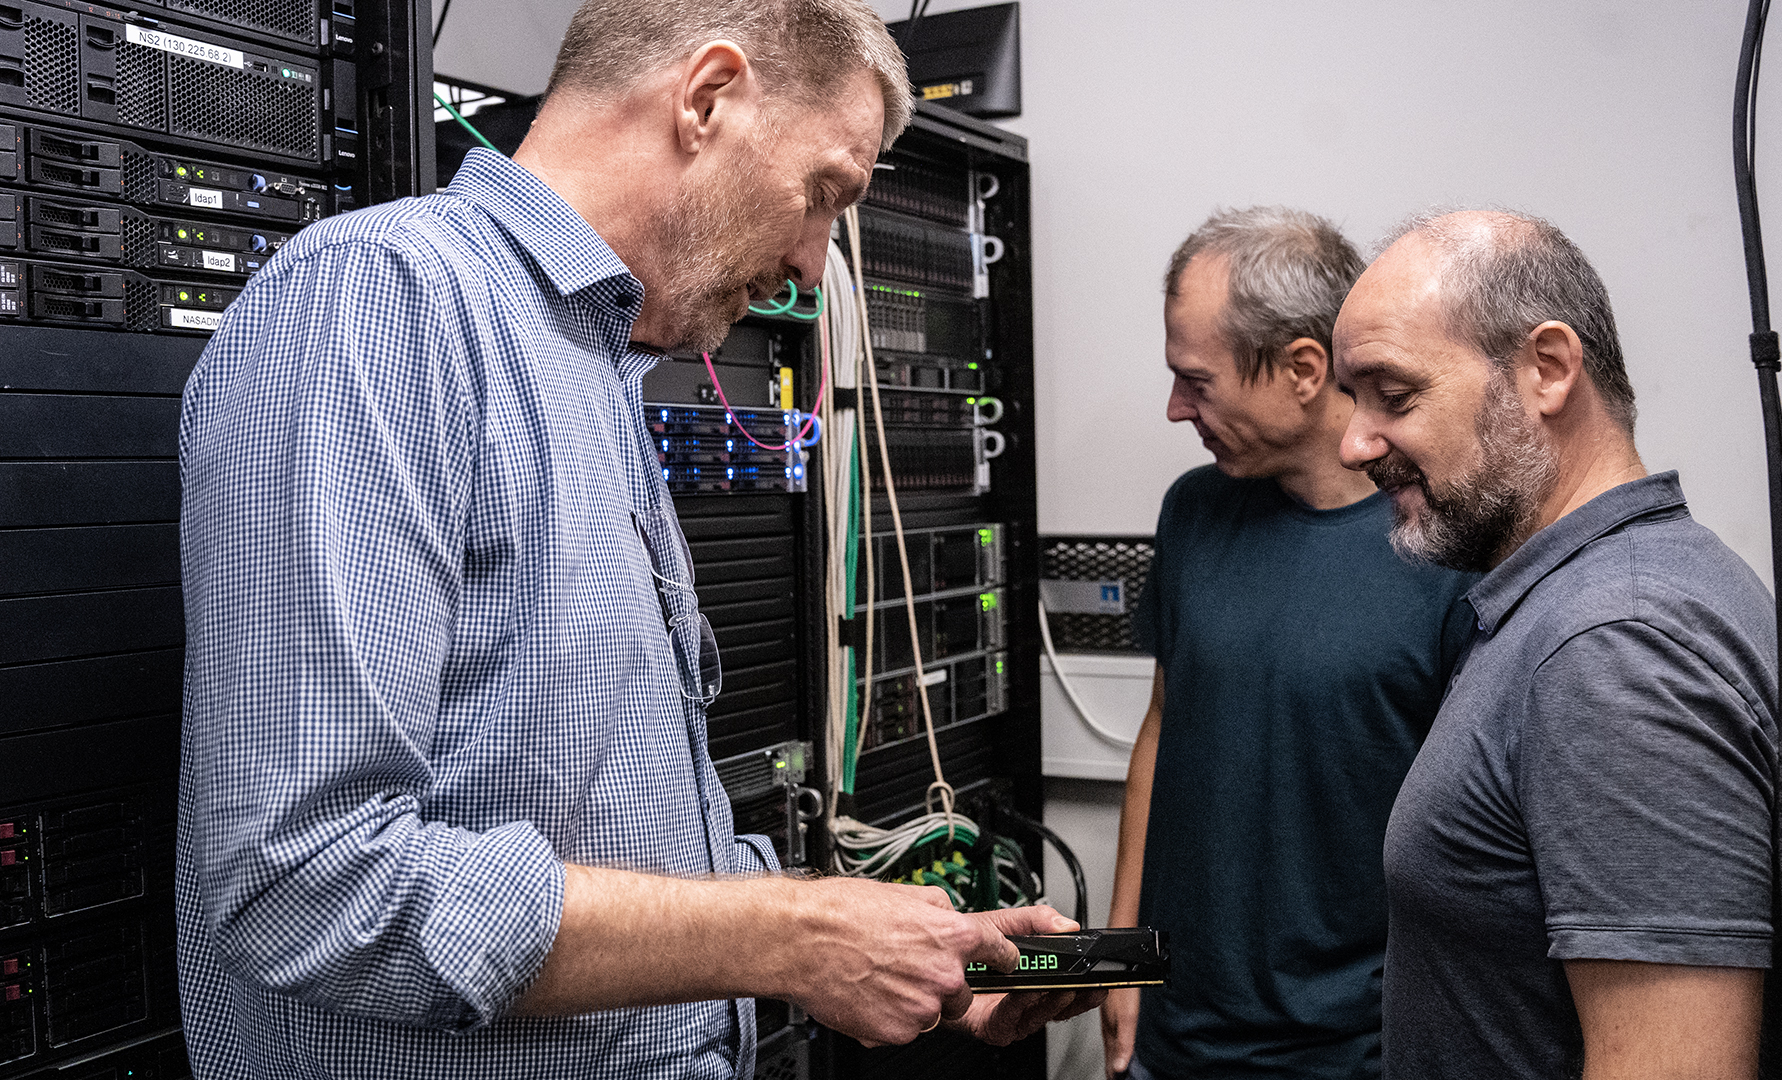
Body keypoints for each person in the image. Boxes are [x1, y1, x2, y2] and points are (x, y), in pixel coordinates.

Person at [173, 2, 1099, 1077]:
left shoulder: (595, 365)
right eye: (825, 195)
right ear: (707, 98)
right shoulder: (385, 306)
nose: (811, 265)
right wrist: (792, 942)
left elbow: (616, 836)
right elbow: (305, 882)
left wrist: (896, 941)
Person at [1331, 209, 1775, 1080]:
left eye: (1395, 394)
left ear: (1548, 369)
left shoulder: (1617, 648)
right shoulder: (1584, 600)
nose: (1355, 443)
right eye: (1354, 400)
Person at [1100, 207, 1480, 1080]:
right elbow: (1163, 726)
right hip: (1178, 1033)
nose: (1174, 408)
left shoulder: (1448, 546)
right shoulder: (1193, 511)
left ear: (1304, 370)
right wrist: (1121, 955)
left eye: (1197, 381)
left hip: (1357, 1049)